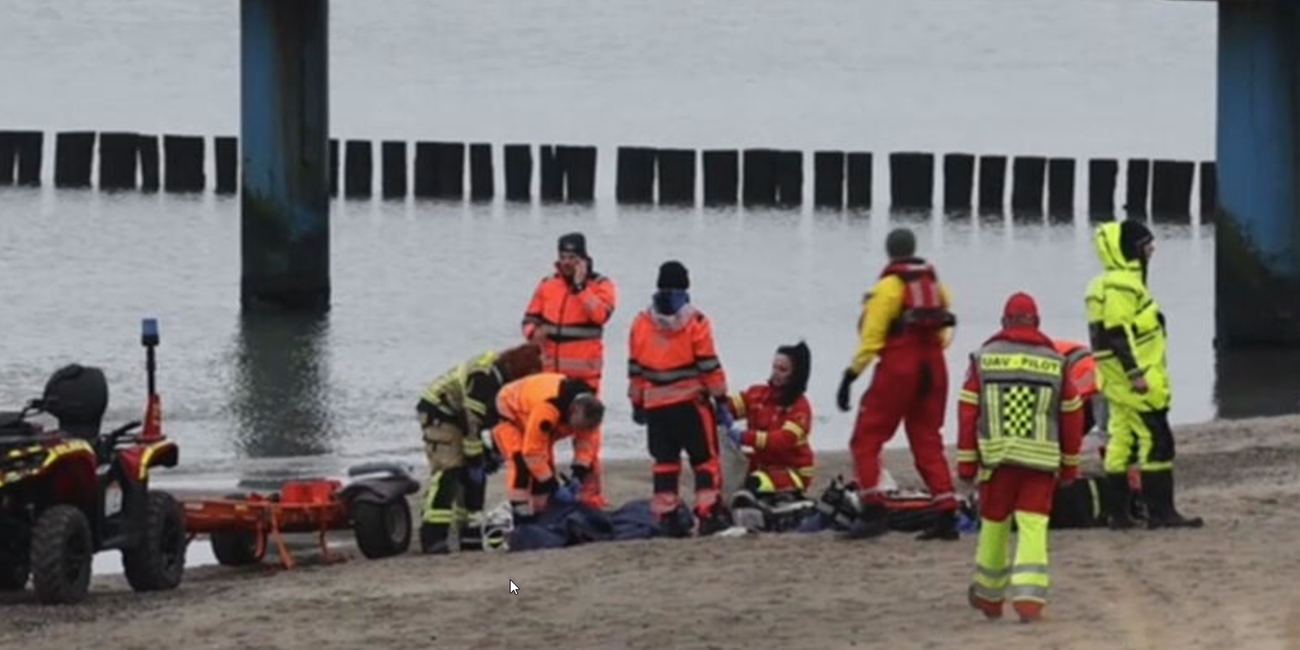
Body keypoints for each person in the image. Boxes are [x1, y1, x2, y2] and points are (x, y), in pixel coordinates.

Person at [956, 292, 1085, 623]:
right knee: (1032, 527)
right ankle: (1029, 601)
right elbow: (1072, 415)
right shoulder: (1056, 362)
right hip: (1039, 465)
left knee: (994, 526)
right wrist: (1070, 465)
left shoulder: (982, 359)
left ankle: (988, 596)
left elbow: (968, 412)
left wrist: (967, 463)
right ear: (1037, 323)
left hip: (997, 462)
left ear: (1004, 322)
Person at [836, 227, 959, 540]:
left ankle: (873, 510)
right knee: (927, 438)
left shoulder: (888, 287)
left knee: (866, 438)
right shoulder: (934, 284)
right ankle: (947, 512)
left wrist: (850, 376)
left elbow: (871, 339)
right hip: (934, 366)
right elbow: (945, 328)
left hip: (900, 366)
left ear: (889, 252)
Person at [1085, 220, 1202, 530]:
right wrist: (1135, 373)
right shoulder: (1123, 284)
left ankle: (1119, 514)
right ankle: (1161, 513)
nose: (1152, 250)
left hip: (1115, 378)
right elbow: (1116, 331)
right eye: (1146, 245)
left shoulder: (1108, 283)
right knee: (1157, 441)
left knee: (1122, 442)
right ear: (1132, 249)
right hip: (1136, 380)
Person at [628, 261, 731, 537]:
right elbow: (709, 365)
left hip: (656, 407)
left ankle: (666, 515)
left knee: (665, 462)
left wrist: (637, 403)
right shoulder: (695, 322)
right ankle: (708, 512)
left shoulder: (641, 322)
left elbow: (635, 370)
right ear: (686, 287)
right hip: (690, 404)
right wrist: (721, 401)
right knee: (704, 460)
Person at [415, 343, 542, 554]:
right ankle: (433, 535)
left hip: (460, 414)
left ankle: (469, 534)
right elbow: (472, 425)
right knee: (449, 470)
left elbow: (495, 420)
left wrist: (491, 454)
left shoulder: (502, 378)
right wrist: (477, 458)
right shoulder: (484, 380)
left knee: (472, 476)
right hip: (440, 411)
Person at [521, 232, 617, 507]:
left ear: (583, 259)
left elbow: (601, 314)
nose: (566, 263)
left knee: (586, 436)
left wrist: (579, 288)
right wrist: (532, 333)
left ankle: (590, 495)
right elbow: (529, 317)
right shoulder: (547, 285)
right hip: (551, 376)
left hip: (585, 375)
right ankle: (547, 492)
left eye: (572, 258)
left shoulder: (601, 285)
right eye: (563, 257)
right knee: (544, 431)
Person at [491, 373, 605, 522]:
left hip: (535, 409)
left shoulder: (590, 413)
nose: (580, 429)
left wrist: (578, 473)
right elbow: (532, 454)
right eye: (579, 426)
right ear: (574, 410)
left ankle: (540, 513)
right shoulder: (548, 409)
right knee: (520, 463)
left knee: (545, 468)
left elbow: (586, 445)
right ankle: (520, 512)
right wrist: (554, 486)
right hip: (510, 410)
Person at [724, 342, 815, 498]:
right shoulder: (758, 394)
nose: (776, 373)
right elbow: (731, 406)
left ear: (796, 374)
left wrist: (744, 436)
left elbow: (782, 440)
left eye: (783, 370)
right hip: (762, 465)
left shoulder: (800, 407)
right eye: (775, 367)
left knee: (754, 484)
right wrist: (713, 402)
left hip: (792, 470)